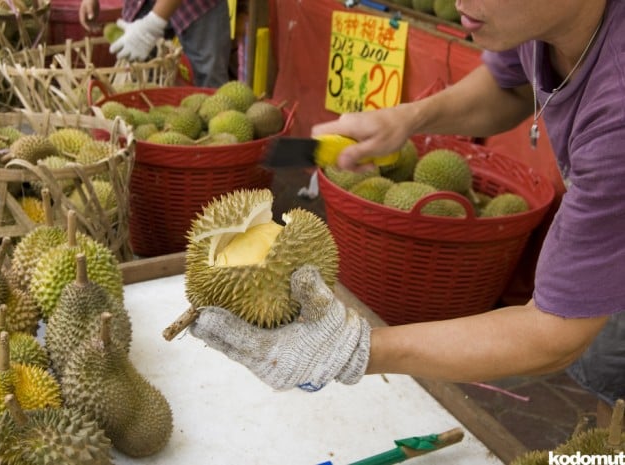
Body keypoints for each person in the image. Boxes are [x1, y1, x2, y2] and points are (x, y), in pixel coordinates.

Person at [188, 0, 625, 429]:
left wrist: (353, 348)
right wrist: (407, 118)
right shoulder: (539, 20)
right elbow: (510, 86)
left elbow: (553, 333)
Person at [78, 0, 231, 87]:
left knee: (210, 77)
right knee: (137, 77)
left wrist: (153, 24)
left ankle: (216, 142)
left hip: (196, 5)